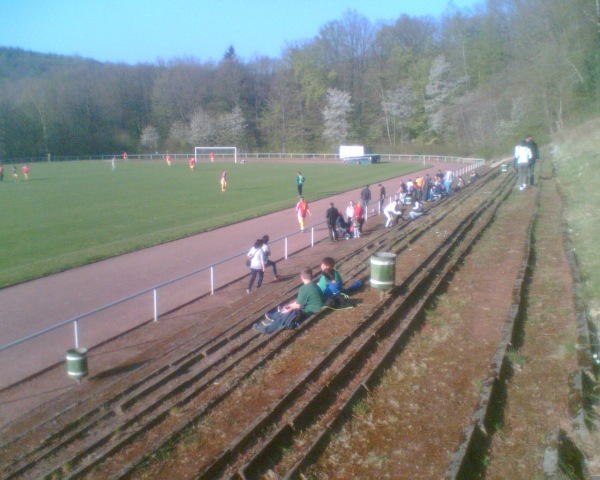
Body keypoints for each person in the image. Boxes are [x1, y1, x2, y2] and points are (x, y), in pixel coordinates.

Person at [253, 267, 324, 334]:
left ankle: (267, 329)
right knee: (287, 309)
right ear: (312, 276)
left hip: (308, 313)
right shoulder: (314, 285)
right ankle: (276, 317)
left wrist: (288, 309)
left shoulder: (304, 289)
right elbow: (299, 302)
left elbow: (298, 306)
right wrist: (288, 306)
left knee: (288, 314)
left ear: (301, 277)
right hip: (315, 310)